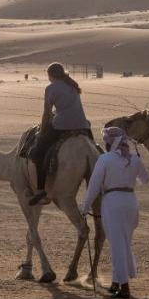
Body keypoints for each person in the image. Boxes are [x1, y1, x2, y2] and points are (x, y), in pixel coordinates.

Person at [81, 125, 149, 299]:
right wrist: (131, 169)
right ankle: (115, 282)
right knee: (122, 243)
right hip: (130, 202)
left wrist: (84, 208)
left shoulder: (105, 159)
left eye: (106, 141)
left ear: (110, 143)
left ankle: (124, 286)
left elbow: (94, 187)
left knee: (118, 245)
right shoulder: (134, 159)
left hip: (113, 203)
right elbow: (145, 180)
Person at [28, 62, 91, 206]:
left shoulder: (51, 88)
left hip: (62, 125)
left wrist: (42, 131)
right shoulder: (72, 85)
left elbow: (47, 113)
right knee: (95, 148)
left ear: (50, 75)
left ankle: (40, 191)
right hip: (83, 124)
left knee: (37, 152)